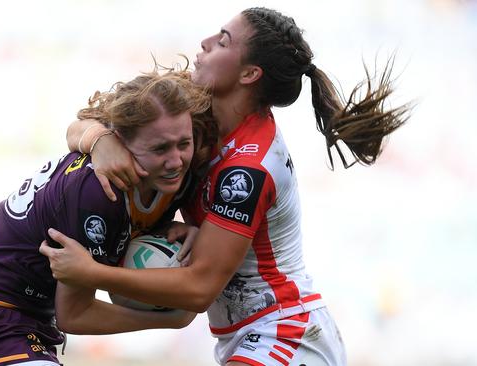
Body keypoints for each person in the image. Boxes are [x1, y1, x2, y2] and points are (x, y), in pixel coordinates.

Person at [40, 7, 411, 366]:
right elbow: (81, 123)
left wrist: (92, 274)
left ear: (249, 73)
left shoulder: (248, 168)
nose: (204, 43)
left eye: (222, 42)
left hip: (285, 333)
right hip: (248, 335)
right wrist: (99, 139)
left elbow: (200, 288)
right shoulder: (190, 109)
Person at [0, 69, 217, 366]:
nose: (175, 161)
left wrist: (173, 228)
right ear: (120, 140)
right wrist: (169, 320)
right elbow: (75, 314)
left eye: (183, 144)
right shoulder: (99, 193)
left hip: (33, 327)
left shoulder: (176, 176)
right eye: (160, 148)